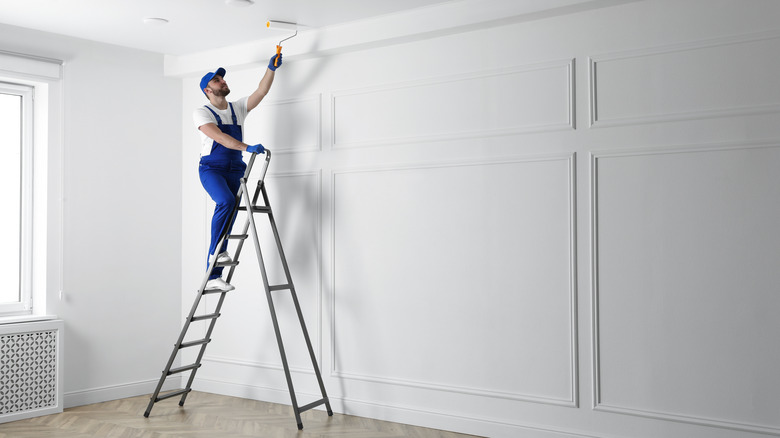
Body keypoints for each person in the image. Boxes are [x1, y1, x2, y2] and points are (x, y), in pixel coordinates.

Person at [193, 52, 282, 291]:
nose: (222, 81)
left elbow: (261, 92)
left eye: (222, 79)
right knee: (225, 201)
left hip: (236, 168)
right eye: (216, 81)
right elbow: (220, 138)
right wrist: (247, 147)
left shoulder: (237, 109)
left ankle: (213, 278)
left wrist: (270, 68)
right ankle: (215, 253)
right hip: (212, 168)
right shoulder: (202, 113)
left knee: (231, 212)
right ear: (208, 91)